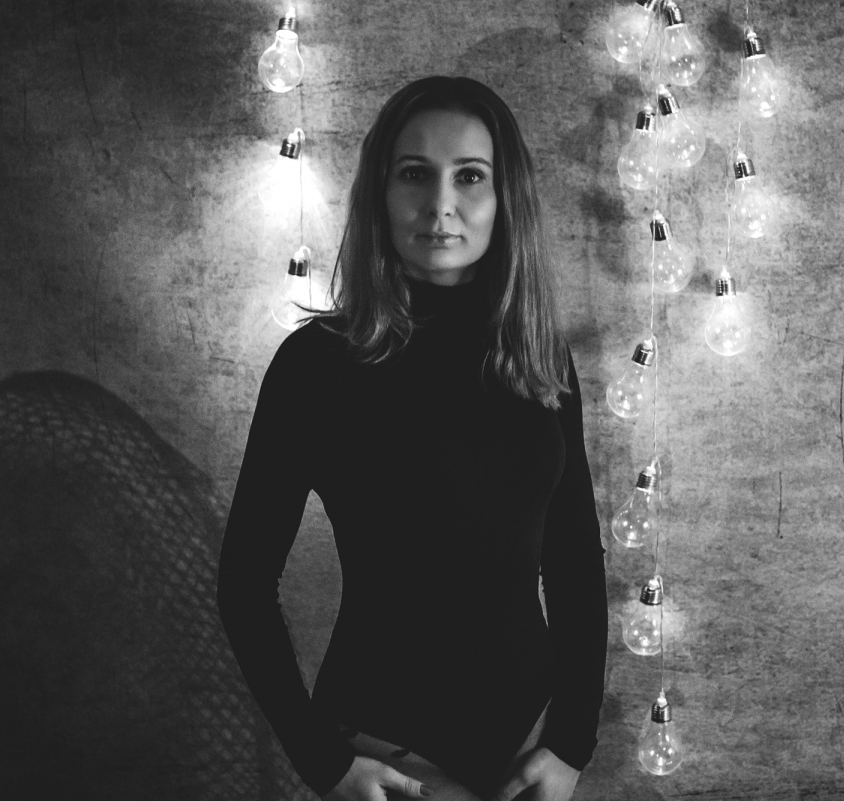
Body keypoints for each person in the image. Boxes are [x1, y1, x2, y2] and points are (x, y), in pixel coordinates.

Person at [217, 76, 608, 801]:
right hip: (388, 756)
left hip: (532, 751)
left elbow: (575, 558)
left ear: (506, 198)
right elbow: (243, 582)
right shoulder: (317, 364)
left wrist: (571, 741)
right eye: (414, 174)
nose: (440, 205)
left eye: (470, 176)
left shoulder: (536, 356)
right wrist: (323, 762)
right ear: (381, 191)